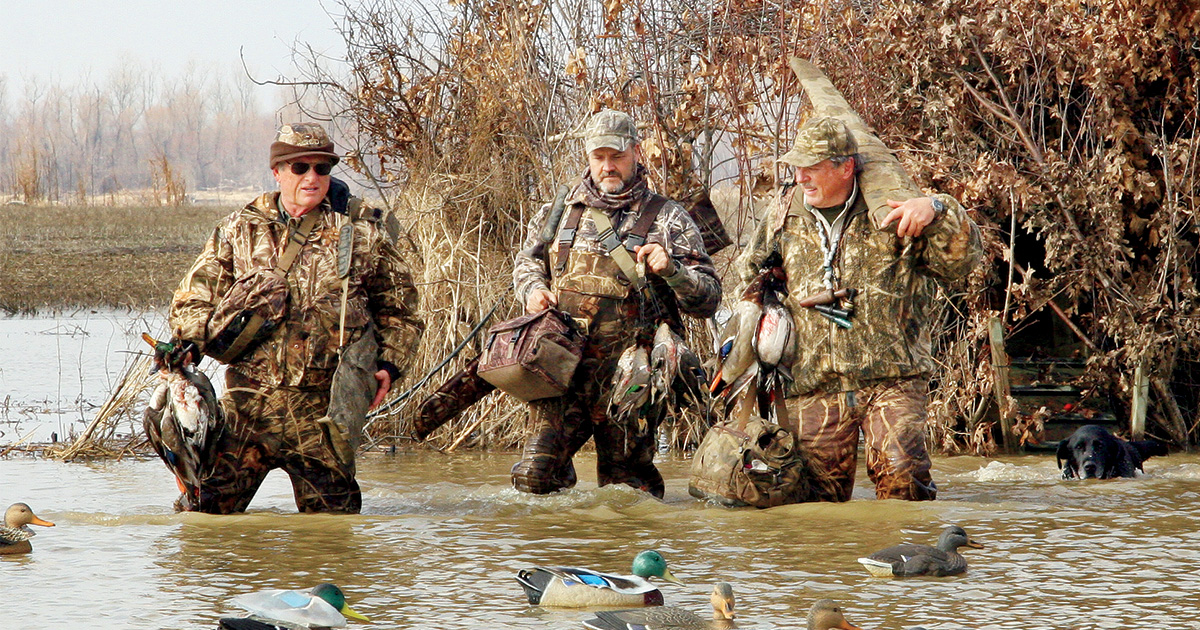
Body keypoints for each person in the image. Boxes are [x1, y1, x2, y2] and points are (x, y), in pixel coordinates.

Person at [167, 122, 423, 514]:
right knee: (206, 521)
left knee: (335, 532)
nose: (312, 177)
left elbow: (400, 310)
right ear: (278, 172)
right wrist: (186, 344)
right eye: (300, 167)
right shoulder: (241, 229)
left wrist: (389, 365)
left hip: (324, 411)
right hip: (249, 404)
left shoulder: (361, 234)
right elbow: (194, 297)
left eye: (322, 168)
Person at [737, 116, 982, 501]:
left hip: (893, 378)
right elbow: (749, 273)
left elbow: (960, 264)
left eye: (812, 168)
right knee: (818, 505)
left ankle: (907, 557)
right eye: (797, 167)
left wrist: (939, 209)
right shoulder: (783, 212)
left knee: (905, 481)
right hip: (813, 383)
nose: (801, 177)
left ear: (846, 166)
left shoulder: (893, 206)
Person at [511, 109, 722, 498]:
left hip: (632, 381)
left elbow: (708, 300)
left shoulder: (669, 217)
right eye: (599, 157)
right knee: (533, 478)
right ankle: (559, 550)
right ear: (588, 157)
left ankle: (624, 551)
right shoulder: (559, 211)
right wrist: (532, 290)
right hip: (563, 372)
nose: (608, 166)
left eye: (617, 156)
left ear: (637, 152)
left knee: (627, 493)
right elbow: (527, 262)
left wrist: (673, 270)